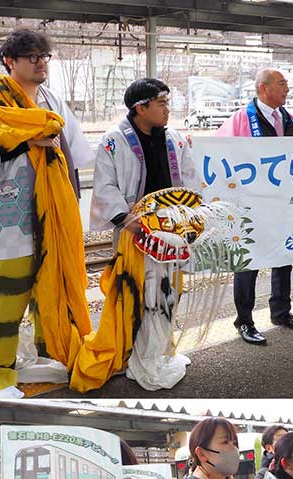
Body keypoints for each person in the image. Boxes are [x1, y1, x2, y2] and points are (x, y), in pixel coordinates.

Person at [0, 27, 93, 398]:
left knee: (49, 293)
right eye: (33, 57)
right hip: (9, 211)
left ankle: (51, 357)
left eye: (45, 57)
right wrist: (26, 140)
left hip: (51, 208)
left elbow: (73, 148)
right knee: (6, 296)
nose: (41, 63)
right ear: (10, 61)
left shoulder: (50, 98)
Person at [72, 78, 200, 392]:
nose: (168, 110)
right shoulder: (114, 140)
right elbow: (105, 186)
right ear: (140, 107)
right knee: (138, 296)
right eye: (162, 103)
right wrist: (129, 221)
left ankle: (157, 353)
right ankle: (137, 356)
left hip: (172, 231)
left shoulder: (175, 140)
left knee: (168, 293)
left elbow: (191, 179)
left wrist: (192, 217)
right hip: (135, 233)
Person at [217, 68, 293, 344]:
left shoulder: (290, 118)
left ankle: (281, 311)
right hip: (252, 205)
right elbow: (219, 152)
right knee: (249, 262)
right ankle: (244, 321)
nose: (287, 89)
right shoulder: (240, 119)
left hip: (284, 203)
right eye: (282, 84)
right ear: (263, 88)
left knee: (284, 256)